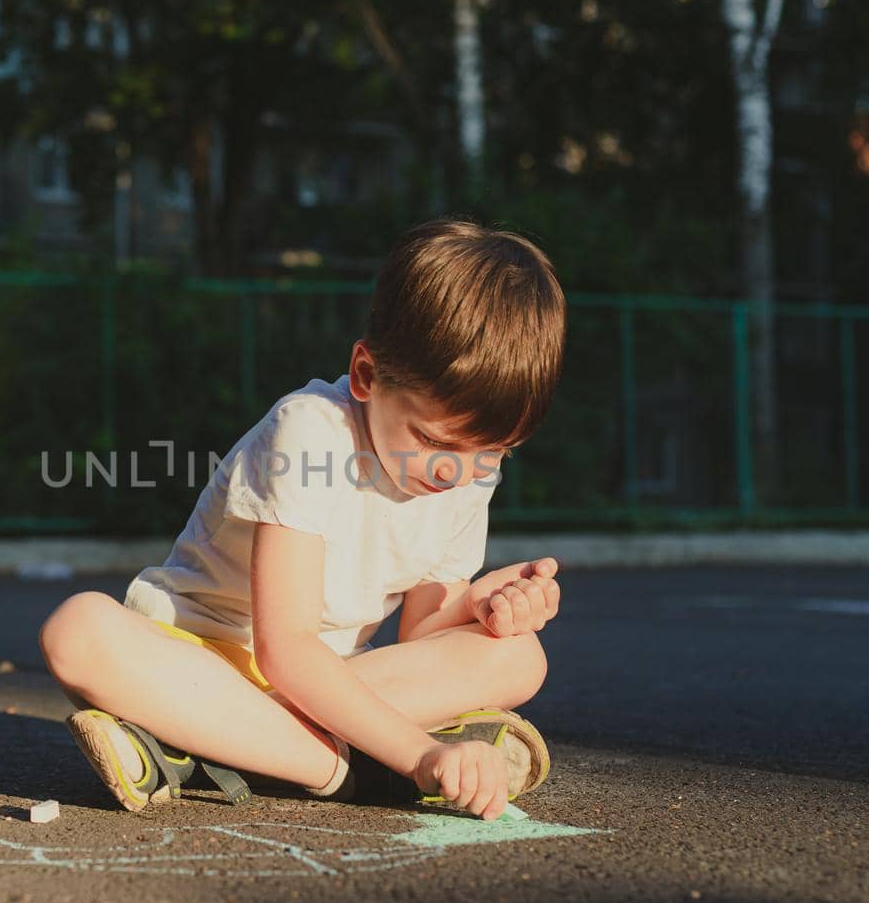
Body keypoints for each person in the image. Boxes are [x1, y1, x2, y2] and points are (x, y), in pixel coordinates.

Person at [38, 218, 567, 821]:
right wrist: (418, 754)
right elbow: (284, 648)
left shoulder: (466, 468)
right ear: (366, 376)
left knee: (518, 655)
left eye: (494, 452)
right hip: (203, 656)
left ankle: (189, 747)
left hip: (328, 682)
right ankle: (355, 771)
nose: (457, 472)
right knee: (78, 632)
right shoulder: (312, 433)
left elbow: (422, 638)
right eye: (433, 440)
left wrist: (482, 607)